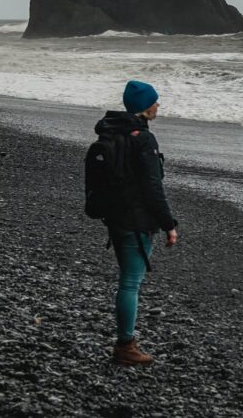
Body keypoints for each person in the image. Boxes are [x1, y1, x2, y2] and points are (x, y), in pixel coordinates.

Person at [94, 80, 178, 365]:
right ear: (144, 106)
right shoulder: (143, 139)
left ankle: (126, 341)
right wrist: (169, 224)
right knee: (130, 283)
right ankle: (125, 345)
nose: (158, 105)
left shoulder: (113, 131)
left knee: (126, 280)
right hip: (136, 219)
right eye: (155, 101)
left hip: (115, 216)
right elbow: (153, 187)